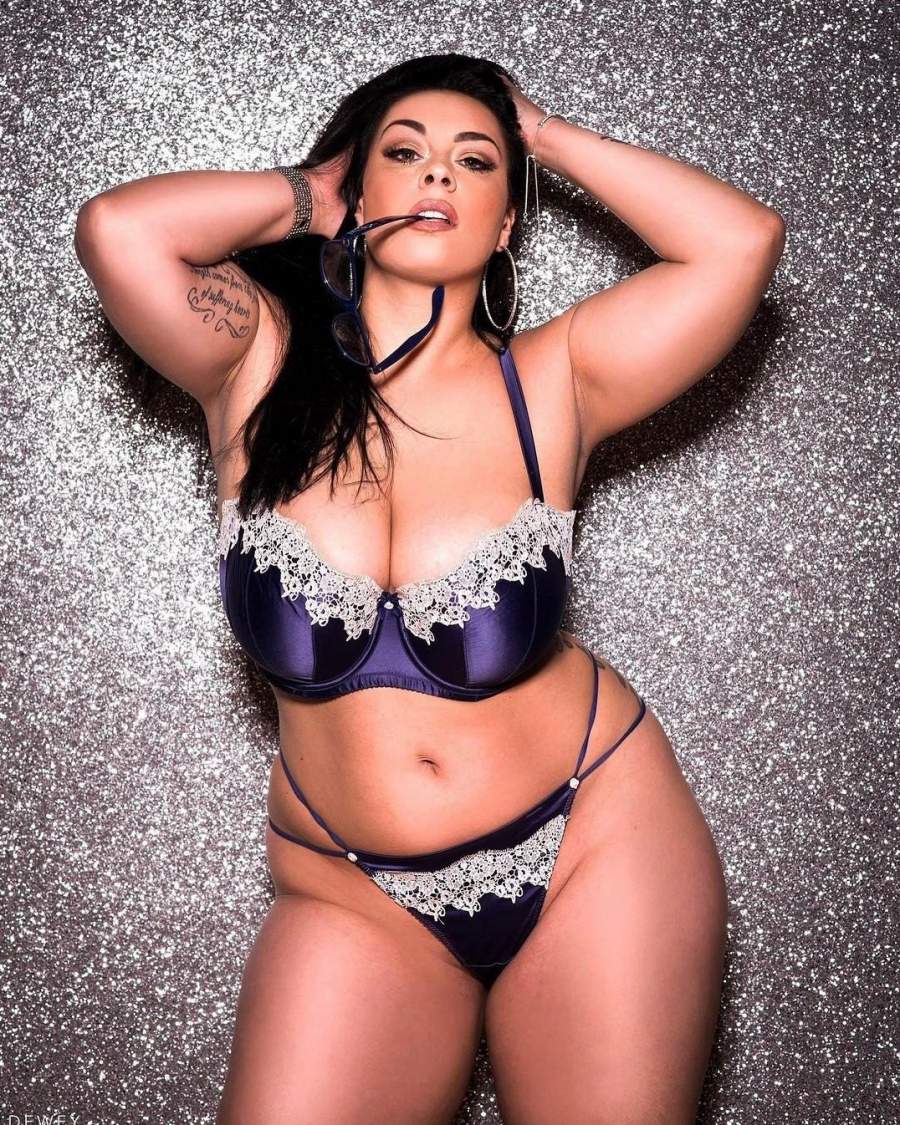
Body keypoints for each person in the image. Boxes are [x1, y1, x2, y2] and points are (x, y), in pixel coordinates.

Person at [74, 52, 784, 1125]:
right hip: (350, 884)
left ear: (508, 224)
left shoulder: (557, 376)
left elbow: (742, 243)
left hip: (592, 835)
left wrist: (539, 133)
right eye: (405, 154)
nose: (438, 176)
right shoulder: (253, 366)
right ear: (359, 192)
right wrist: (318, 196)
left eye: (474, 163)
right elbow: (119, 231)